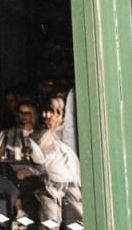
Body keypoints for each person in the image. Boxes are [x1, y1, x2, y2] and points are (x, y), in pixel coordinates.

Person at [29, 93, 83, 225]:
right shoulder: (40, 136)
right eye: (45, 111)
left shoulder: (64, 145)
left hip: (62, 181)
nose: (45, 116)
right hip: (51, 185)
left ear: (61, 116)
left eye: (51, 112)